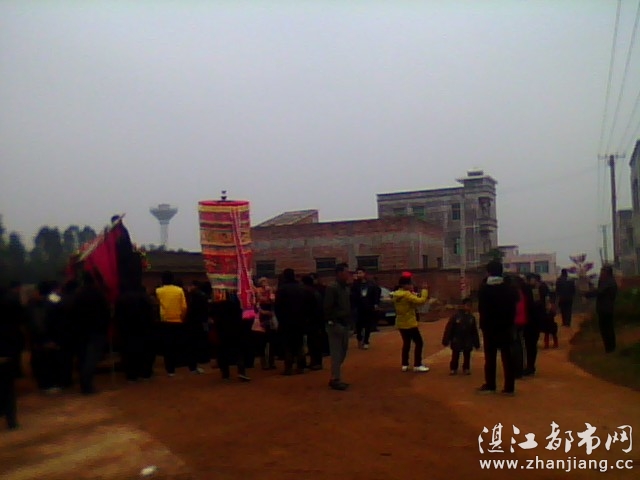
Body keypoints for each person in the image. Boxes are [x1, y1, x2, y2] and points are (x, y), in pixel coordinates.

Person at [477, 260, 518, 395]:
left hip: (489, 327)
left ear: (488, 272)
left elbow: (481, 308)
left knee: (490, 357)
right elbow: (515, 303)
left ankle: (490, 385)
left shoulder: (484, 289)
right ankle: (509, 387)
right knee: (507, 357)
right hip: (506, 326)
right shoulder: (509, 288)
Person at [72, 272, 111, 395]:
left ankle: (84, 384)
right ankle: (87, 385)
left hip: (81, 330)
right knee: (92, 358)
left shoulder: (78, 295)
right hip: (97, 330)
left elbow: (73, 313)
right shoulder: (98, 294)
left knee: (83, 357)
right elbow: (106, 312)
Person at [155, 271, 195, 376]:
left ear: (162, 280)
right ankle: (191, 368)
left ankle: (170, 371)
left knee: (168, 347)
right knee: (185, 345)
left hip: (165, 322)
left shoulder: (158, 291)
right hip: (178, 321)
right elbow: (184, 307)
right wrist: (182, 317)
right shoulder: (179, 290)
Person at [114, 286, 156, 381]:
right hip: (143, 329)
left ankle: (131, 374)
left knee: (129, 352)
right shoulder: (145, 298)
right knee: (145, 350)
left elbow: (118, 317)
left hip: (127, 331)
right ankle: (145, 372)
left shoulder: (122, 298)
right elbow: (150, 316)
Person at [274, 269, 309, 375]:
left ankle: (288, 368)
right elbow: (306, 304)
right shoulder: (301, 288)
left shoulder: (282, 289)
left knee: (287, 345)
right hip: (300, 320)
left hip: (286, 321)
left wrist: (280, 319)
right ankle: (300, 366)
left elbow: (278, 307)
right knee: (299, 344)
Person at [392, 276, 430, 373]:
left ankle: (404, 364)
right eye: (410, 284)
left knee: (406, 343)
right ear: (405, 285)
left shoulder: (396, 294)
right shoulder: (407, 295)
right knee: (419, 342)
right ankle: (417, 364)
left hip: (400, 322)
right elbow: (421, 301)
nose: (412, 285)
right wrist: (425, 290)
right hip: (410, 323)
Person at [324, 263, 352, 391]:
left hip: (344, 323)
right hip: (336, 324)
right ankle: (335, 378)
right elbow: (327, 308)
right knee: (336, 353)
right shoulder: (332, 288)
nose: (348, 274)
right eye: (346, 272)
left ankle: (335, 376)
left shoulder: (345, 288)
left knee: (342, 352)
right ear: (339, 273)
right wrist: (332, 321)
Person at [211, 290, 250, 382]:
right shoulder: (235, 305)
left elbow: (214, 320)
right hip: (235, 332)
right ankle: (241, 372)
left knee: (223, 353)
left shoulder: (216, 306)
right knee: (239, 352)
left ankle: (225, 375)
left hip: (222, 333)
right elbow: (240, 317)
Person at [0, 286, 25, 430]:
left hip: (7, 346)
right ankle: (11, 420)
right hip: (8, 348)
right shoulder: (11, 302)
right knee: (8, 386)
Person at [442, 298, 480, 375]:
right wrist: (446, 340)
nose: (468, 307)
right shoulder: (455, 317)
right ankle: (453, 368)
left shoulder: (471, 318)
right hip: (457, 338)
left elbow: (474, 331)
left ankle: (466, 368)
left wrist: (476, 343)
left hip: (468, 339)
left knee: (467, 355)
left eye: (470, 305)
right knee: (455, 355)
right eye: (467, 305)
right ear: (462, 305)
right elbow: (449, 329)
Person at [584, 265, 618, 353]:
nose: (601, 273)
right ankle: (609, 348)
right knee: (606, 328)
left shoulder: (609, 282)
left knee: (607, 329)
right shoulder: (607, 281)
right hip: (604, 308)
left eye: (602, 272)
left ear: (607, 273)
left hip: (606, 309)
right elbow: (599, 290)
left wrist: (587, 294)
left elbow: (599, 291)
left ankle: (610, 348)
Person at [523, 273, 549, 377]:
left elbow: (536, 304)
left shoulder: (533, 290)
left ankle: (530, 367)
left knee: (530, 345)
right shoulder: (537, 289)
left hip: (530, 321)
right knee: (531, 345)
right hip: (535, 321)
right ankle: (530, 366)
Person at [351, 268, 381, 350]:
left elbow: (376, 293)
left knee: (368, 325)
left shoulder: (371, 284)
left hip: (368, 307)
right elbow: (352, 295)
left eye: (360, 273)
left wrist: (376, 304)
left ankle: (366, 341)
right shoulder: (356, 285)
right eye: (358, 273)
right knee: (359, 325)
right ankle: (359, 338)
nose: (359, 274)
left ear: (364, 273)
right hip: (359, 308)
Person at [185, 281, 210, 373]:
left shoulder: (190, 296)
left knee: (192, 345)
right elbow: (205, 311)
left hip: (191, 322)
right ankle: (194, 366)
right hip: (199, 323)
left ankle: (192, 366)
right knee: (197, 344)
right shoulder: (202, 296)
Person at [510, 275, 531, 379]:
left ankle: (516, 370)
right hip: (522, 321)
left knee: (515, 346)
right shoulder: (521, 293)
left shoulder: (514, 294)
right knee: (519, 345)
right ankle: (520, 368)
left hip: (515, 321)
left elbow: (516, 309)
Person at [254, 278, 277, 370]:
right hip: (261, 318)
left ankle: (272, 361)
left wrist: (270, 293)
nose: (265, 283)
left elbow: (273, 301)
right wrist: (262, 311)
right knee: (262, 342)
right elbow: (256, 304)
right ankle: (264, 363)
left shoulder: (270, 291)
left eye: (266, 281)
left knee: (272, 341)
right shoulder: (257, 291)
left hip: (270, 318)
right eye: (263, 282)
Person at [302, 275, 324, 370]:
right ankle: (316, 362)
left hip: (311, 320)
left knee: (313, 343)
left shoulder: (307, 292)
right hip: (317, 320)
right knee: (315, 342)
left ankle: (315, 362)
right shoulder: (316, 292)